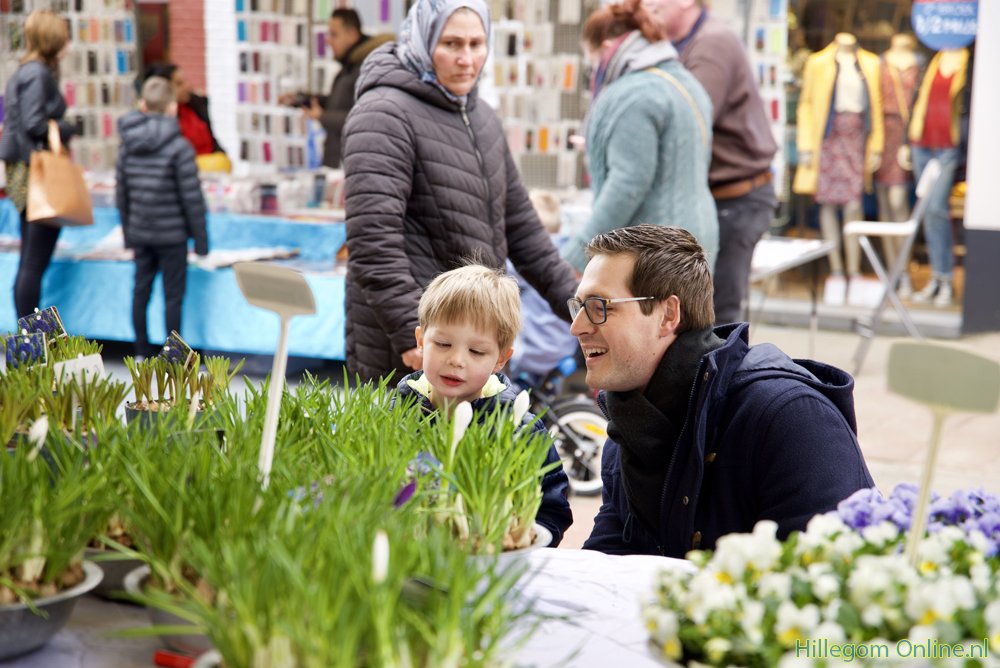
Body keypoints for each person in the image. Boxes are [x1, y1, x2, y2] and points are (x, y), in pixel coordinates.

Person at [573, 224, 874, 557]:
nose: (578, 327)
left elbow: (828, 577)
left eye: (600, 306)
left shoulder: (787, 416)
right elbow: (606, 561)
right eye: (579, 306)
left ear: (668, 315)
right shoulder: (629, 424)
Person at [342, 0, 577, 384]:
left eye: (476, 43)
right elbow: (373, 242)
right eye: (451, 44)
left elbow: (523, 229)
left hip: (474, 337)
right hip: (415, 347)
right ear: (423, 40)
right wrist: (411, 333)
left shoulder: (481, 115)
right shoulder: (382, 113)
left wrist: (581, 308)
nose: (467, 59)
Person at [393, 264, 573, 545]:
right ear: (420, 341)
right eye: (442, 344)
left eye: (476, 351)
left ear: (501, 359)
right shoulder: (395, 412)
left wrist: (527, 536)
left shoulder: (520, 428)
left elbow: (551, 507)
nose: (457, 360)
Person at [640, 0, 778, 325]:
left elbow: (689, 123)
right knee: (698, 310)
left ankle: (724, 376)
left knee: (718, 313)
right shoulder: (678, 45)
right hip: (718, 195)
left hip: (736, 199)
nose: (647, 5)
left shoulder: (712, 43)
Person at [560, 1, 717, 274]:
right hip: (696, 240)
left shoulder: (634, 93)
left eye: (592, 59)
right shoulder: (685, 81)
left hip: (657, 251)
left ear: (607, 48)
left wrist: (578, 252)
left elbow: (628, 183)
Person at [116, 76, 209, 357]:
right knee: (173, 296)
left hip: (141, 231)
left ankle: (141, 349)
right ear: (172, 107)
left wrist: (128, 232)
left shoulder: (127, 145)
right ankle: (174, 355)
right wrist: (201, 240)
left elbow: (123, 194)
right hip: (173, 236)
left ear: (143, 105)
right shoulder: (179, 147)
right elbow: (192, 198)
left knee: (140, 290)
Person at [793, 33, 884, 305]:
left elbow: (876, 106)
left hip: (856, 139)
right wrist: (806, 144)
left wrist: (877, 145)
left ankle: (854, 272)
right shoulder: (818, 61)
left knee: (854, 205)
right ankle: (836, 272)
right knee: (828, 205)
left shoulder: (869, 63)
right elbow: (807, 104)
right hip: (828, 138)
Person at [0, 9, 76, 321]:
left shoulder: (25, 72)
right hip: (38, 176)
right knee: (33, 260)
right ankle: (28, 335)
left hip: (26, 173)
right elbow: (34, 123)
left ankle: (26, 333)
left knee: (30, 258)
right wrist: (67, 128)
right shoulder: (38, 74)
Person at [907, 46, 973, 308]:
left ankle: (944, 277)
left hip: (947, 146)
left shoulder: (969, 64)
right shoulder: (933, 59)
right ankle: (936, 277)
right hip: (921, 143)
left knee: (936, 208)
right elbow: (919, 101)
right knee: (926, 210)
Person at [290, 9, 393, 168]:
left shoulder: (367, 70)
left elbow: (366, 118)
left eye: (334, 34)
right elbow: (338, 103)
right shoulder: (349, 68)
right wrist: (301, 99)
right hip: (339, 162)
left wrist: (323, 116)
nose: (328, 41)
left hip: (351, 165)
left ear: (351, 34)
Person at [874, 34, 919, 298]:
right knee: (884, 205)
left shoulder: (919, 64)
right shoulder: (880, 63)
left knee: (898, 202)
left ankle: (903, 272)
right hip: (883, 134)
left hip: (906, 133)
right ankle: (891, 272)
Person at [142, 63, 229, 171]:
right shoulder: (160, 119)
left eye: (185, 81)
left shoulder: (196, 107)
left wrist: (221, 157)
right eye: (179, 84)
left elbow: (211, 139)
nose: (186, 86)